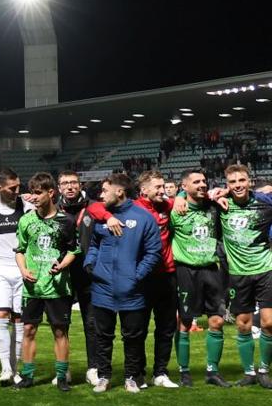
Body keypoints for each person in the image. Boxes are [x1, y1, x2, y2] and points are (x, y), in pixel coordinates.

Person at [84, 171, 179, 389]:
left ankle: (131, 377)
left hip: (132, 289)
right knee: (103, 335)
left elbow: (153, 252)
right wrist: (90, 265)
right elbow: (95, 244)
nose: (101, 194)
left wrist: (136, 276)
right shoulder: (103, 214)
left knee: (133, 336)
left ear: (119, 191)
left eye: (105, 190)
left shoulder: (143, 217)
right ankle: (104, 376)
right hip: (102, 287)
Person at [13, 173, 79, 391]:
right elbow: (20, 250)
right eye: (32, 192)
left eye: (38, 192)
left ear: (51, 193)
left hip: (58, 287)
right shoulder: (26, 220)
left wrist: (63, 265)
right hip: (33, 287)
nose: (34, 196)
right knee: (29, 330)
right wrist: (23, 270)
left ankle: (61, 377)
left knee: (60, 332)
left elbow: (73, 250)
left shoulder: (66, 221)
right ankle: (28, 376)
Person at [209, 164, 272, 387]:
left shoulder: (265, 204)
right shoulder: (221, 206)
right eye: (232, 182)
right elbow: (192, 197)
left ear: (250, 181)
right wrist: (214, 193)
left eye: (241, 181)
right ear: (227, 185)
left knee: (269, 323)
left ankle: (264, 369)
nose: (238, 185)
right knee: (243, 325)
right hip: (237, 274)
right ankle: (249, 373)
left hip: (265, 269)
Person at [165, 169, 226, 388]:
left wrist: (222, 192)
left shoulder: (213, 207)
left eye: (204, 181)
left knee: (217, 321)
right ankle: (184, 372)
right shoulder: (175, 211)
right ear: (184, 187)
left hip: (211, 269)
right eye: (196, 182)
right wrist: (177, 199)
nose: (202, 184)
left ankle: (213, 371)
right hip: (186, 271)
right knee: (185, 322)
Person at [0, 168, 33, 385]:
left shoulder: (27, 206)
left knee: (19, 319)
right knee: (0, 316)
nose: (17, 191)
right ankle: (5, 369)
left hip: (22, 269)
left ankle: (17, 367)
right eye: (12, 188)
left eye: (19, 186)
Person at [56, 171, 96, 385]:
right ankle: (64, 369)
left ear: (80, 185)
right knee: (62, 324)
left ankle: (94, 368)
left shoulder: (94, 208)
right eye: (65, 183)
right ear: (59, 187)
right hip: (62, 274)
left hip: (89, 275)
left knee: (92, 323)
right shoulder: (53, 210)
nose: (70, 187)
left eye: (73, 183)